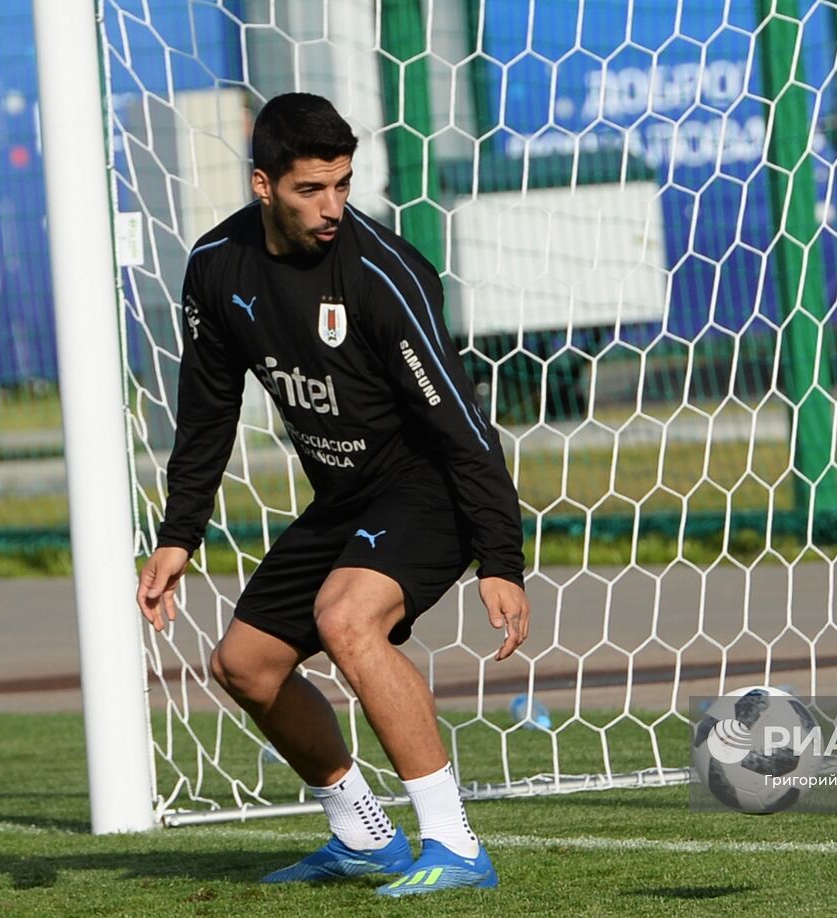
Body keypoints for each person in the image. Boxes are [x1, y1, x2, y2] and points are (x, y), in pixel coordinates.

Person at [134, 92, 530, 898]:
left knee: (346, 620)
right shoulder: (217, 268)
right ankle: (360, 833)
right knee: (245, 666)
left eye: (343, 184)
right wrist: (179, 536)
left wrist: (501, 558)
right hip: (347, 497)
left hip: (429, 489)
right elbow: (207, 411)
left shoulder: (383, 274)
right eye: (312, 189)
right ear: (262, 184)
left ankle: (454, 844)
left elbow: (462, 424)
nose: (332, 207)